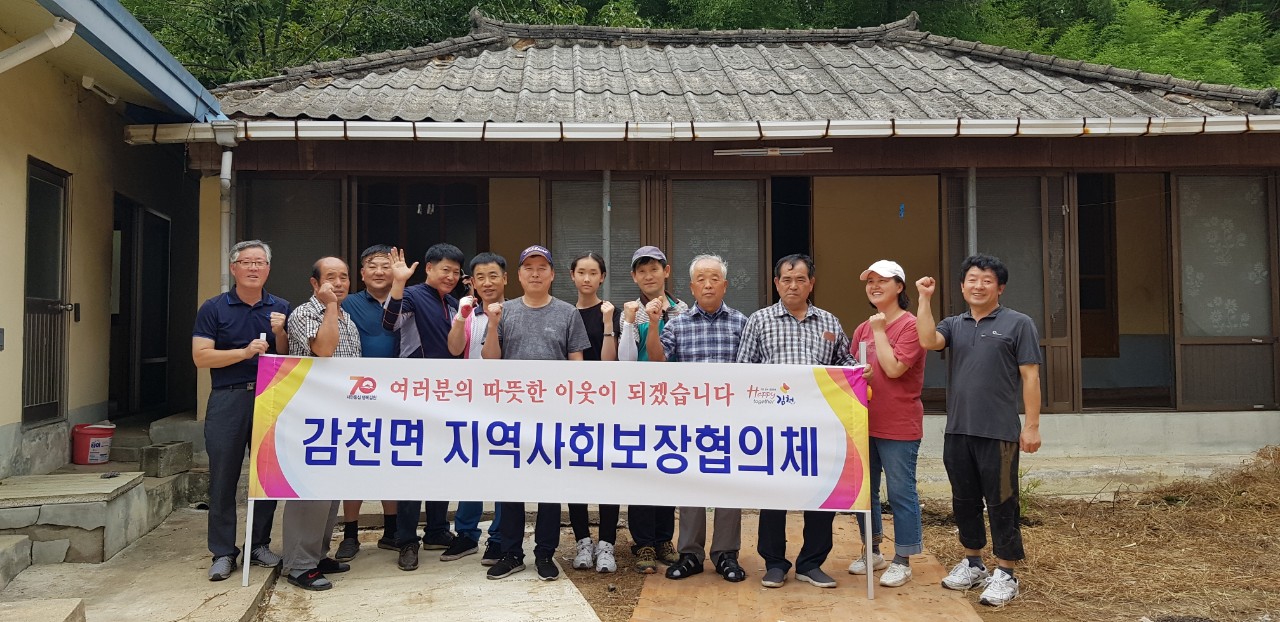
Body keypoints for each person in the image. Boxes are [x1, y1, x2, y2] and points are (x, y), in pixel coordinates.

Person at [915, 254, 1042, 607]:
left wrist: (1032, 426)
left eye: (987, 280)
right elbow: (927, 340)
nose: (979, 285)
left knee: (1003, 501)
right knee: (964, 500)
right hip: (958, 429)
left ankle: (1006, 572)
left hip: (999, 432)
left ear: (1000, 288)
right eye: (972, 279)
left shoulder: (1019, 324)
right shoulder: (954, 325)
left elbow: (1030, 376)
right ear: (962, 286)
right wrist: (924, 298)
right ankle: (974, 563)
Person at [737, 254, 855, 590]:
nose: (793, 286)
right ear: (776, 283)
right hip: (773, 425)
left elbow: (845, 363)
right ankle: (774, 563)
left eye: (800, 279)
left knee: (822, 493)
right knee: (774, 495)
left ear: (811, 284)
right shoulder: (759, 321)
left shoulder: (829, 322)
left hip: (820, 426)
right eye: (786, 280)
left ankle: (811, 563)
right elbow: (743, 371)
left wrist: (861, 372)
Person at [482, 245, 591, 581]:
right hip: (511, 412)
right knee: (511, 486)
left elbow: (576, 364)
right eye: (528, 267)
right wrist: (492, 325)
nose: (535, 273)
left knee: (549, 487)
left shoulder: (567, 313)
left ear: (552, 274)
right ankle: (511, 552)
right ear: (518, 275)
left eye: (542, 267)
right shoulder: (505, 311)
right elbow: (490, 359)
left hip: (553, 415)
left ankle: (545, 553)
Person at [192, 240, 288, 581]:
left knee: (266, 476)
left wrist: (280, 332)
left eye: (260, 262)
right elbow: (201, 356)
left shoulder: (280, 307)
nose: (253, 268)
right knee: (223, 476)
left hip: (269, 398)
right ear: (234, 268)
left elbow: (287, 356)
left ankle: (258, 544)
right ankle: (222, 552)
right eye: (246, 262)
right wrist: (244, 353)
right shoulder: (214, 307)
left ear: (268, 269)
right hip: (228, 398)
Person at [649, 254, 748, 583]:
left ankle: (726, 554)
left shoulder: (741, 323)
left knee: (729, 485)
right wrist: (653, 324)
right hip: (689, 419)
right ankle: (690, 554)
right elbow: (658, 363)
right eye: (701, 279)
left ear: (725, 285)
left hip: (731, 420)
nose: (708, 285)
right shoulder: (677, 324)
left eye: (714, 278)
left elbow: (755, 372)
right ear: (691, 287)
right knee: (690, 482)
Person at [382, 243, 465, 571]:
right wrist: (398, 281)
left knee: (443, 460)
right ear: (429, 268)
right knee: (412, 465)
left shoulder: (455, 304)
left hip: (447, 395)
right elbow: (389, 322)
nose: (451, 276)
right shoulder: (412, 295)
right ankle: (406, 539)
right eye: (445, 269)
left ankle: (437, 530)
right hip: (413, 395)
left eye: (456, 272)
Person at [281, 256, 361, 590]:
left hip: (342, 414)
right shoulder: (304, 313)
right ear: (315, 283)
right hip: (311, 414)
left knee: (330, 489)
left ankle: (317, 555)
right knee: (309, 490)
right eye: (330, 277)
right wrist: (329, 306)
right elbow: (324, 350)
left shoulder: (347, 318)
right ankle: (299, 565)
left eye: (344, 277)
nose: (339, 284)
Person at [846, 260, 926, 588]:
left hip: (898, 423)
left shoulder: (910, 326)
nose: (875, 286)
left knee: (900, 491)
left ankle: (903, 559)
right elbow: (852, 368)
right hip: (864, 422)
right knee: (864, 491)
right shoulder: (862, 329)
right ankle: (873, 549)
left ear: (900, 287)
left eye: (883, 281)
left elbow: (894, 369)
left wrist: (879, 332)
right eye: (870, 281)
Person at [618, 245, 687, 573]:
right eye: (642, 271)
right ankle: (643, 542)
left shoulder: (684, 310)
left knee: (668, 469)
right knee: (640, 472)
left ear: (666, 271)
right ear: (634, 276)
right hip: (638, 403)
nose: (649, 276)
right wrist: (632, 321)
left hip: (674, 402)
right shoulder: (629, 311)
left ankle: (664, 538)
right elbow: (626, 359)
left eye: (654, 269)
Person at [334, 245, 403, 561]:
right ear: (361, 274)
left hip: (399, 396)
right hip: (356, 396)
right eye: (372, 266)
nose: (379, 271)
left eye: (385, 265)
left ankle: (392, 532)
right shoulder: (346, 303)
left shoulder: (406, 301)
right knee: (355, 462)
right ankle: (350, 535)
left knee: (393, 462)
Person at [444, 252, 509, 565]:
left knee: (502, 467)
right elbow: (455, 348)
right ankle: (466, 534)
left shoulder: (516, 311)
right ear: (471, 281)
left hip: (508, 401)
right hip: (471, 400)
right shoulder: (467, 313)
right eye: (480, 277)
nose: (487, 283)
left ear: (505, 278)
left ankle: (499, 537)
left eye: (493, 275)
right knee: (469, 465)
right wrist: (461, 315)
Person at [565, 252, 621, 573]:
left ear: (602, 277)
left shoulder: (612, 312)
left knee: (607, 474)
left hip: (607, 405)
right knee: (576, 473)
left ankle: (607, 544)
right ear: (572, 275)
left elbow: (609, 362)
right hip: (572, 406)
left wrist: (608, 322)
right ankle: (583, 542)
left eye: (593, 273)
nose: (587, 278)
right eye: (581, 272)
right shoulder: (563, 314)